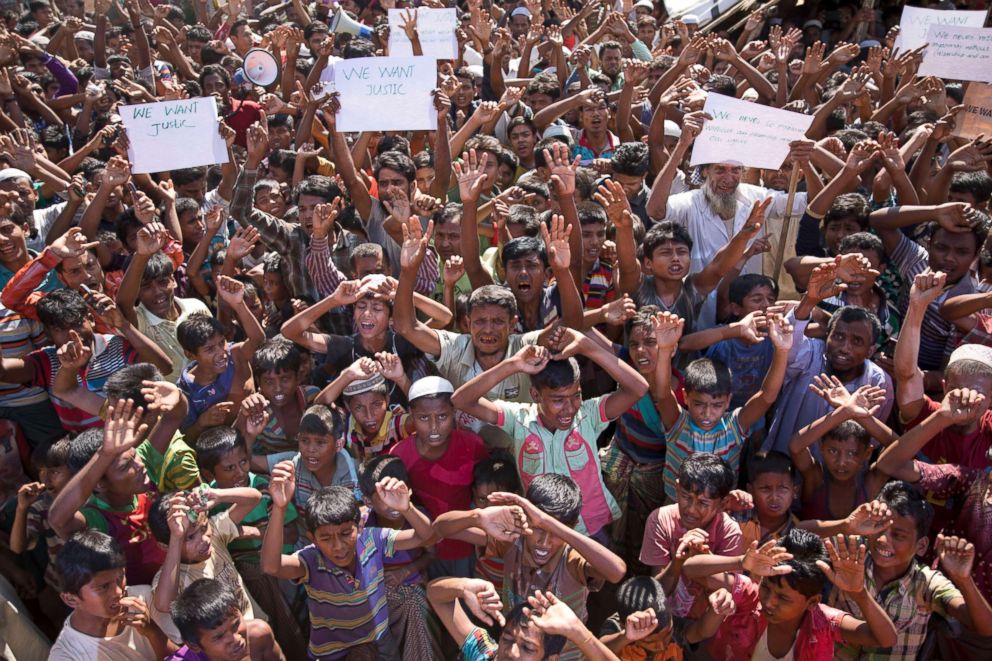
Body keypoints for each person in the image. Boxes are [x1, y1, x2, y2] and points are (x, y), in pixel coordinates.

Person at [452, 327, 649, 540]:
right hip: (540, 533)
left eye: (576, 396)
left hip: (591, 529)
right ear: (535, 394)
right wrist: (511, 365)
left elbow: (638, 388)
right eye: (558, 400)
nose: (570, 408)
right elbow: (461, 400)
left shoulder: (589, 415)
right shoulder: (517, 419)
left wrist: (587, 347)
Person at [261, 467, 434, 659]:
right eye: (326, 538)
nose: (338, 546)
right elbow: (271, 566)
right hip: (333, 653)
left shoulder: (373, 539)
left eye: (345, 534)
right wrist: (279, 508)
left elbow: (425, 537)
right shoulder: (311, 560)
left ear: (359, 526)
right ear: (313, 539)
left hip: (380, 641)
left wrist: (406, 508)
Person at [826, 482, 992, 660]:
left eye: (898, 535)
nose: (882, 540)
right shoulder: (850, 551)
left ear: (921, 546)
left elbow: (985, 627)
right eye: (879, 527)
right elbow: (798, 536)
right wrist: (846, 525)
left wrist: (964, 581)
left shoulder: (926, 582)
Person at [682, 528, 899, 660]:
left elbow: (886, 639)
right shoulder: (749, 596)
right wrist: (741, 562)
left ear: (812, 602)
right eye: (766, 587)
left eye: (784, 598)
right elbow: (690, 569)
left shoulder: (825, 623)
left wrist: (859, 593)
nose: (768, 601)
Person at [653, 310, 793, 499]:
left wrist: (782, 351)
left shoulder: (734, 426)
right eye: (699, 404)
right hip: (675, 507)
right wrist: (664, 350)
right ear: (685, 397)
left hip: (722, 510)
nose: (707, 413)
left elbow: (767, 396)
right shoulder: (678, 423)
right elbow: (662, 394)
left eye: (717, 405)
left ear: (728, 401)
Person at [48, 400, 167, 585]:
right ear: (100, 484)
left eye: (134, 455)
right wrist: (104, 454)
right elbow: (57, 520)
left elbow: (173, 418)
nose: (140, 464)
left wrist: (175, 397)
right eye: (126, 465)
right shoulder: (97, 519)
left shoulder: (142, 477)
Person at [391, 376, 489, 578]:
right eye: (424, 418)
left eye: (442, 416)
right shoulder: (400, 455)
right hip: (421, 550)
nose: (434, 427)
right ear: (411, 415)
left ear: (454, 413)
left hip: (468, 547)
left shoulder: (472, 445)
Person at [147, 485, 265, 644]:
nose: (204, 540)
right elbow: (163, 604)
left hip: (255, 629)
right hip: (231, 647)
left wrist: (218, 495)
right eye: (189, 538)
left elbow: (254, 498)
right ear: (165, 546)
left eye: (204, 528)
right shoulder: (172, 579)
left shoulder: (215, 532)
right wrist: (177, 535)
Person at [639, 453, 744, 618]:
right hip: (666, 620)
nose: (691, 509)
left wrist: (703, 560)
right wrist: (678, 562)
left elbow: (731, 589)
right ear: (677, 488)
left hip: (703, 622)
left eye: (703, 503)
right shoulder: (660, 519)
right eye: (686, 497)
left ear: (722, 504)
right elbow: (658, 591)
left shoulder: (729, 532)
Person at [359, 455, 442, 660]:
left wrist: (405, 571)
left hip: (411, 588)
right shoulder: (363, 523)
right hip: (376, 592)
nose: (394, 505)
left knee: (413, 606)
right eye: (385, 499)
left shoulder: (418, 517)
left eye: (398, 495)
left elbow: (431, 552)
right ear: (368, 501)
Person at [49, 530, 176, 660]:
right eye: (103, 587)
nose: (119, 592)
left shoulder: (144, 598)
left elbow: (188, 657)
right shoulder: (67, 656)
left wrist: (153, 632)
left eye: (120, 578)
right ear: (71, 599)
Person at [168, 578, 284, 661]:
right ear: (194, 646)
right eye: (219, 636)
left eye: (236, 624)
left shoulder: (259, 635)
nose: (236, 638)